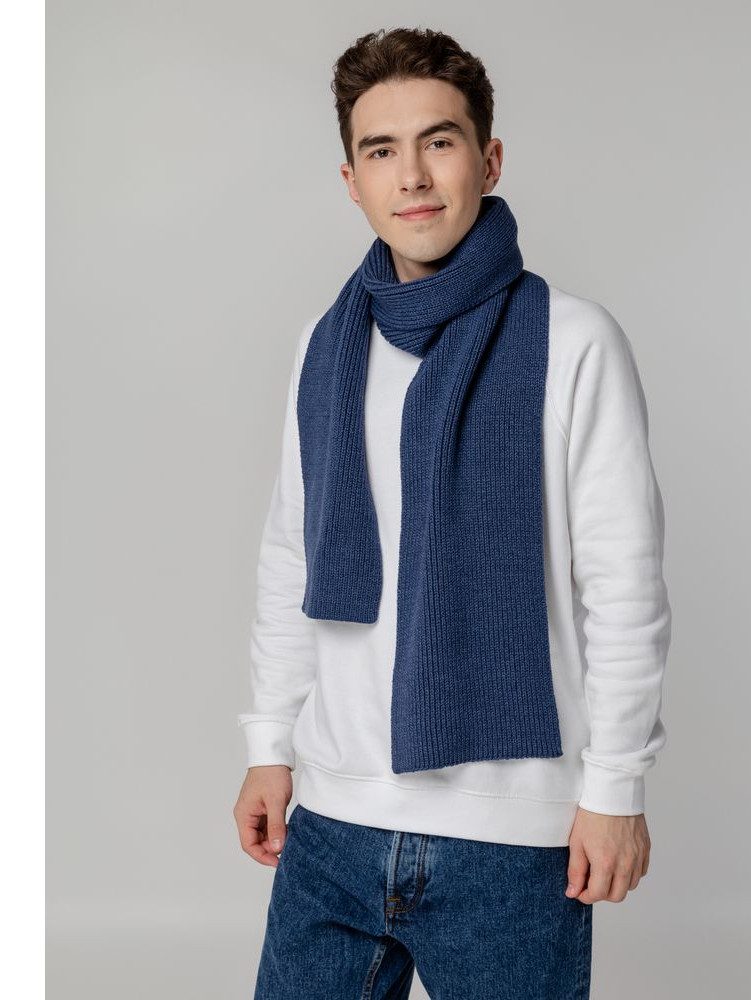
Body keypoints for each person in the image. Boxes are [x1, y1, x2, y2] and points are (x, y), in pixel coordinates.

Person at [232, 26, 671, 999]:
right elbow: (292, 555)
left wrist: (615, 789)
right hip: (333, 825)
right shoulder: (325, 347)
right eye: (381, 150)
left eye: (439, 141)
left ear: (489, 159)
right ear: (352, 180)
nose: (413, 176)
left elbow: (623, 588)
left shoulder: (574, 342)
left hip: (509, 843)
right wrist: (269, 746)